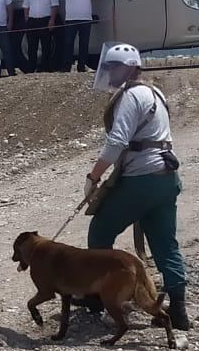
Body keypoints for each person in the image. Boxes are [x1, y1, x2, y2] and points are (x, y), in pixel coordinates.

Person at [81, 44, 191, 330]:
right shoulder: (155, 93)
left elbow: (117, 143)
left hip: (140, 179)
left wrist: (93, 177)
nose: (108, 73)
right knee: (166, 244)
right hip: (165, 179)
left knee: (101, 231)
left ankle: (96, 297)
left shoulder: (131, 96)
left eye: (112, 67)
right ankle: (178, 310)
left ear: (128, 67)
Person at [21, 0, 59, 72]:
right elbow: (26, 6)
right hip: (32, 21)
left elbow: (55, 5)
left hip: (45, 20)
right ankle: (31, 68)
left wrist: (52, 20)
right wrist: (27, 20)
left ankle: (45, 68)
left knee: (46, 46)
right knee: (31, 46)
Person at [62, 0, 95, 72]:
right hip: (71, 18)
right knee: (68, 43)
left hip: (86, 18)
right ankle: (67, 67)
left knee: (84, 43)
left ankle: (82, 66)